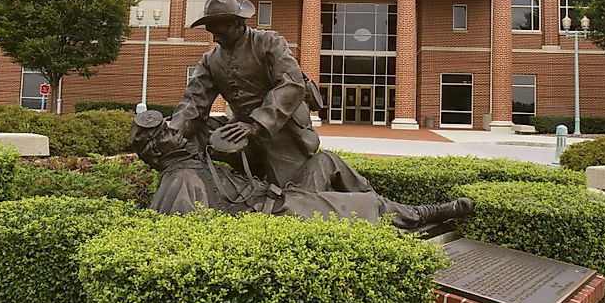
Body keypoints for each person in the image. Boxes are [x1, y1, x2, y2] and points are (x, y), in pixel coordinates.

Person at [131, 109, 475, 231]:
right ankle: (420, 214)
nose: (175, 129)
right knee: (369, 208)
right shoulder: (181, 180)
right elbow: (191, 234)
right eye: (166, 132)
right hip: (277, 212)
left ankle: (386, 214)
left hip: (280, 196)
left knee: (325, 161)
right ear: (156, 150)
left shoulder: (197, 158)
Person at [169, 0, 319, 187]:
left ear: (237, 23)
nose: (215, 38)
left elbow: (291, 85)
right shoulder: (210, 59)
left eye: (219, 31)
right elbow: (193, 102)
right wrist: (173, 132)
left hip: (280, 130)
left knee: (293, 191)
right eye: (211, 32)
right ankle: (198, 184)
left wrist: (256, 125)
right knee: (194, 135)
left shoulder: (269, 42)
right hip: (239, 127)